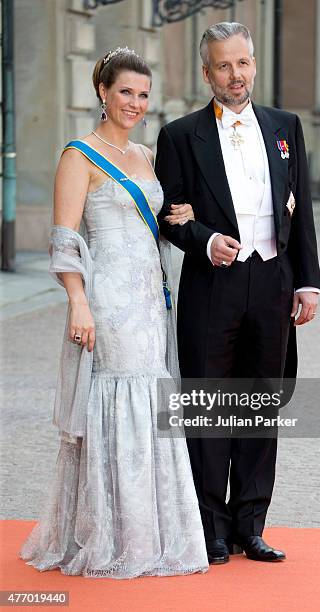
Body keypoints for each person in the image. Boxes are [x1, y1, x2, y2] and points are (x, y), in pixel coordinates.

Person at [20, 47, 208, 578]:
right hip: (108, 300)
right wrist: (78, 302)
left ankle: (148, 533)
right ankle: (112, 535)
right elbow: (63, 242)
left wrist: (184, 213)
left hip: (151, 298)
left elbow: (160, 222)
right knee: (120, 398)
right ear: (102, 91)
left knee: (150, 396)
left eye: (143, 95)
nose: (135, 103)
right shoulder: (78, 154)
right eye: (126, 92)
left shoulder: (146, 157)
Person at [155, 23, 320, 564]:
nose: (236, 75)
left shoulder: (285, 127)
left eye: (242, 63)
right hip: (212, 287)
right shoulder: (181, 135)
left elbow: (304, 210)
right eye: (223, 66)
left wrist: (307, 280)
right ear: (207, 73)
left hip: (272, 282)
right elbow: (170, 216)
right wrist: (204, 241)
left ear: (253, 63)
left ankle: (251, 525)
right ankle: (212, 529)